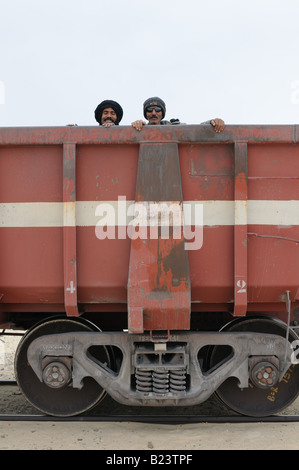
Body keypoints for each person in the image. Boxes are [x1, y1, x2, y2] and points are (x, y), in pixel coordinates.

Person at [131, 96, 225, 132]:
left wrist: (213, 122)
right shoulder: (140, 128)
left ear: (162, 113)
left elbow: (194, 130)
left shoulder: (174, 127)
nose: (153, 113)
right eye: (149, 110)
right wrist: (135, 127)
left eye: (158, 109)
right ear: (145, 114)